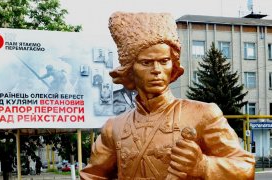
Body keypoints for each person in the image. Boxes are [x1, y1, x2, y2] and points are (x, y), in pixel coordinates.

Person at [80, 12, 255, 179]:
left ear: (173, 65)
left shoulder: (203, 114)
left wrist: (203, 166)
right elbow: (93, 175)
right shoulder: (114, 128)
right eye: (146, 62)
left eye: (164, 61)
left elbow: (245, 167)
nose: (156, 70)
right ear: (130, 70)